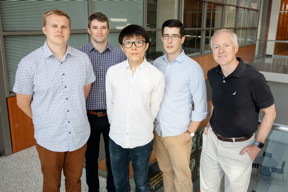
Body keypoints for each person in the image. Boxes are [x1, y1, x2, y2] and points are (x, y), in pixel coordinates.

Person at [13, 9, 96, 192]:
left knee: (75, 181)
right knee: (51, 185)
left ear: (69, 30)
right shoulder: (29, 63)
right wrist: (43, 119)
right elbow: (22, 101)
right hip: (49, 137)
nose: (60, 30)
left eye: (64, 26)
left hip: (78, 134)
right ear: (44, 29)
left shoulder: (82, 59)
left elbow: (84, 90)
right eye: (54, 26)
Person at [200, 29, 276, 192]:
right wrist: (209, 124)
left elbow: (270, 113)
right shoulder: (213, 74)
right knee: (207, 189)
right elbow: (216, 101)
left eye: (226, 45)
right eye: (216, 47)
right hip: (212, 142)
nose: (221, 51)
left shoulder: (253, 77)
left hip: (239, 148)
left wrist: (257, 145)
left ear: (235, 48)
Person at [106, 24, 165, 192]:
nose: (133, 47)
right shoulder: (113, 72)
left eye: (138, 42)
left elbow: (153, 109)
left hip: (142, 139)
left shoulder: (156, 76)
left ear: (146, 45)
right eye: (128, 42)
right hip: (116, 138)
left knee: (142, 184)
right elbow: (110, 103)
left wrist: (140, 123)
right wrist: (118, 124)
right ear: (122, 47)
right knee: (120, 184)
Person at [153, 19, 208, 192]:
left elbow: (200, 106)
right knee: (166, 173)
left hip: (179, 134)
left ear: (182, 39)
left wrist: (190, 132)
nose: (169, 41)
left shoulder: (193, 68)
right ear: (161, 38)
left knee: (182, 177)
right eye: (166, 36)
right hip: (159, 131)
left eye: (174, 36)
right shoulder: (157, 64)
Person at [79, 12, 126, 192]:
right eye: (95, 27)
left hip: (112, 116)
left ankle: (112, 189)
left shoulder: (119, 55)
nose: (99, 31)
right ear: (89, 30)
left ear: (108, 30)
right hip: (87, 116)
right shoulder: (79, 55)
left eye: (103, 27)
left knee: (113, 157)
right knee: (90, 158)